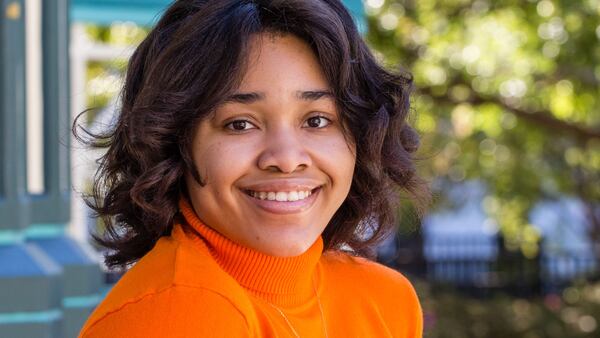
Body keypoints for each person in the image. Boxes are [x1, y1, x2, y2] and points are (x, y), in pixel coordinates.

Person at [77, 0, 431, 337]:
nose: (287, 158)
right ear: (174, 143)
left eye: (318, 119)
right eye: (240, 124)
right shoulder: (179, 313)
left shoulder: (385, 302)